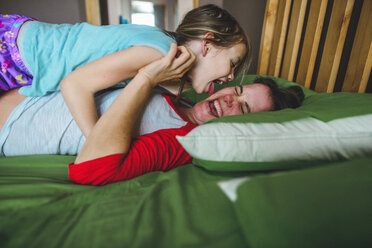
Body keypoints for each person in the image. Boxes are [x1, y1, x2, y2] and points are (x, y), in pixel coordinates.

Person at [66, 44, 304, 186]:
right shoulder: (182, 93)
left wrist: (146, 79)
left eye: (243, 108)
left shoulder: (184, 141)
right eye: (239, 91)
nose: (231, 99)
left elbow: (91, 169)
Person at [0, 4, 251, 137]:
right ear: (207, 44)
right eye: (233, 63)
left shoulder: (165, 51)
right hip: (12, 50)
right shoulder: (158, 53)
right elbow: (74, 85)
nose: (230, 78)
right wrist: (96, 140)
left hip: (19, 40)